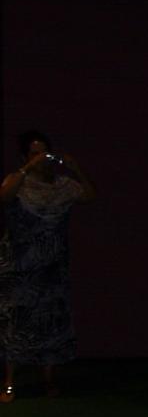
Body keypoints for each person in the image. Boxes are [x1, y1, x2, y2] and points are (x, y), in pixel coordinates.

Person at [0, 130, 96, 401]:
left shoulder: (62, 184)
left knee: (51, 321)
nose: (41, 158)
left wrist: (74, 166)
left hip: (52, 266)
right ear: (25, 156)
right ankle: (9, 381)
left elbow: (89, 195)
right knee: (14, 323)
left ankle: (48, 378)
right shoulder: (18, 181)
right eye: (34, 153)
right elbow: (4, 197)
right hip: (19, 266)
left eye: (44, 152)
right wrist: (26, 168)